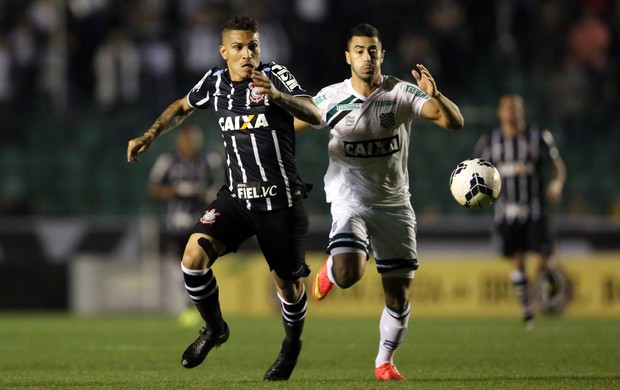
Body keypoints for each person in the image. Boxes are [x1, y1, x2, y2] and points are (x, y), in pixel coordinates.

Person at [127, 16, 321, 381]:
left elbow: (315, 113)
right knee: (192, 257)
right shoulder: (214, 82)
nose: (248, 54)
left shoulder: (276, 75)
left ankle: (291, 345)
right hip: (235, 197)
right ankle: (215, 328)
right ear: (224, 52)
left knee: (288, 286)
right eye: (239, 47)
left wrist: (278, 97)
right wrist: (150, 135)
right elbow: (182, 107)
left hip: (279, 199)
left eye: (253, 46)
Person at [295, 24, 464, 380]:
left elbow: (453, 123)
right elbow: (289, 126)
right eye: (359, 50)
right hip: (349, 199)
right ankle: (332, 269)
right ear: (348, 57)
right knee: (349, 273)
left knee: (398, 296)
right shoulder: (331, 97)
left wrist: (437, 94)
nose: (366, 57)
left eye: (372, 51)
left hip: (394, 204)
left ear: (381, 55)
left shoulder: (401, 93)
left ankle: (384, 360)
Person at [475, 94, 567, 328]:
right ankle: (527, 310)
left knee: (544, 258)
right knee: (517, 259)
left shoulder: (538, 138)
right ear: (500, 112)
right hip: (507, 211)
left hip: (535, 208)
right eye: (506, 108)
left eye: (515, 108)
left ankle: (545, 285)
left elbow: (557, 167)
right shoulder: (490, 141)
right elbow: (478, 172)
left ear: (522, 111)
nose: (511, 113)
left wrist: (556, 185)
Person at [147, 124, 223, 327]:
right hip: (176, 224)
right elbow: (153, 188)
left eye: (194, 141)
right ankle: (189, 305)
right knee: (178, 269)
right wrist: (176, 191)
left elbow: (222, 184)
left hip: (201, 222)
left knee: (200, 265)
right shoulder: (168, 161)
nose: (190, 145)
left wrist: (209, 195)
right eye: (187, 140)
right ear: (179, 142)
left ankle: (202, 305)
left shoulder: (209, 161)